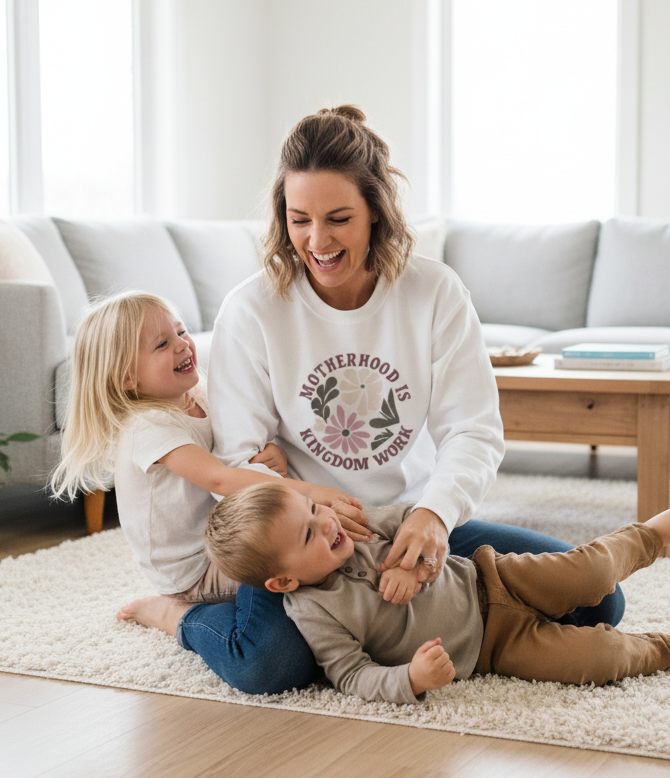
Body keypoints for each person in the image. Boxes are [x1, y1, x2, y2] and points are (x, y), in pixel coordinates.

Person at [191, 104, 627, 694]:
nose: (316, 242)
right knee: (268, 666)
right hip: (305, 548)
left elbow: (473, 430)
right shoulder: (252, 310)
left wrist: (433, 518)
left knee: (600, 601)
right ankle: (180, 615)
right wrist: (305, 495)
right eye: (299, 220)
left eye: (339, 218)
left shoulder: (433, 292)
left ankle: (403, 618)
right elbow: (239, 464)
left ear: (376, 210)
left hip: (410, 523)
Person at [204, 482, 670, 705]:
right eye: (307, 534)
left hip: (492, 577)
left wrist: (415, 569)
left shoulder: (360, 528)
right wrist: (409, 679)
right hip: (493, 649)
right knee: (598, 657)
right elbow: (349, 674)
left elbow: (415, 523)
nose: (328, 524)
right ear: (282, 583)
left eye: (314, 509)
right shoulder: (312, 612)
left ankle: (650, 534)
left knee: (594, 579)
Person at [49, 291, 365, 634]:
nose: (183, 345)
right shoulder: (147, 426)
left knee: (323, 550)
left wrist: (273, 454)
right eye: (162, 344)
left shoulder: (199, 394)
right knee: (315, 568)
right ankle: (176, 614)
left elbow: (234, 452)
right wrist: (314, 493)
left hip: (227, 536)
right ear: (126, 378)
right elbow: (221, 479)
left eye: (181, 333)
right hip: (193, 569)